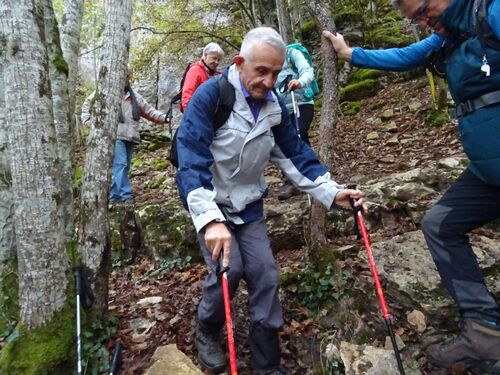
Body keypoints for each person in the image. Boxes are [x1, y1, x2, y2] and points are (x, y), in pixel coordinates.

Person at [176, 26, 366, 375]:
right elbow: (190, 158)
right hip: (212, 204)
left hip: (249, 205)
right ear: (239, 63)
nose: (268, 80)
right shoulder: (210, 97)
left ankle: (267, 361)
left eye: (276, 73)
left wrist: (332, 191)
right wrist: (210, 219)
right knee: (227, 273)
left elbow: (295, 154)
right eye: (260, 71)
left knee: (265, 275)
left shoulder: (274, 106)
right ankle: (207, 328)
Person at [323, 0, 500, 372]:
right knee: (440, 224)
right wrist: (349, 53)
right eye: (412, 19)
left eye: (421, 11)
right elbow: (404, 56)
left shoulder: (491, 12)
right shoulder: (448, 36)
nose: (421, 23)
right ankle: (485, 333)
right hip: (489, 173)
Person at [81, 70, 169, 205]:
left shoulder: (135, 97)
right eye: (122, 75)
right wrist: (90, 123)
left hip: (131, 136)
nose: (125, 78)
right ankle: (126, 196)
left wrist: (166, 118)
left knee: (124, 166)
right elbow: (87, 107)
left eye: (127, 76)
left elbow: (150, 111)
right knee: (120, 164)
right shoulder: (104, 92)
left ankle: (114, 197)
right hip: (114, 136)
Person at [275, 43, 317, 200]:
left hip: (301, 102)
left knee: (300, 133)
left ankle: (310, 173)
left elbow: (307, 70)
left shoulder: (292, 54)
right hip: (280, 108)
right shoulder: (267, 60)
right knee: (284, 141)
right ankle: (291, 180)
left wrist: (300, 82)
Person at [181, 42, 224, 112]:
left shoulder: (216, 75)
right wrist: (190, 116)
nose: (216, 62)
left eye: (218, 60)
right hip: (197, 114)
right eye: (214, 58)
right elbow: (187, 96)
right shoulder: (195, 71)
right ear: (205, 55)